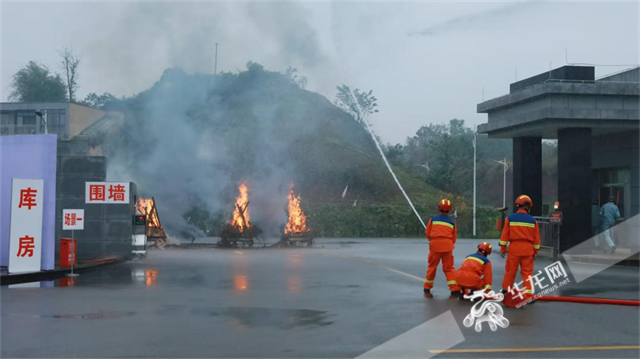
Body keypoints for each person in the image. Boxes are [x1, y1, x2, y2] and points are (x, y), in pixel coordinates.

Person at [500, 195, 540, 303]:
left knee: (510, 271)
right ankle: (528, 295)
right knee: (527, 272)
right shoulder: (533, 221)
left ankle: (506, 291)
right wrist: (535, 252)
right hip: (527, 249)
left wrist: (503, 249)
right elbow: (536, 239)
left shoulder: (510, 219)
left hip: (514, 248)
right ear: (527, 207)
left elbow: (505, 235)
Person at [423, 199, 460, 296]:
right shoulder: (452, 222)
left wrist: (432, 239)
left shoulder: (433, 219)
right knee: (449, 268)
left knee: (432, 267)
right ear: (449, 210)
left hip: (435, 246)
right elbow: (454, 237)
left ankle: (427, 287)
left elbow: (427, 232)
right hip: (448, 246)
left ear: (439, 207)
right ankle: (454, 289)